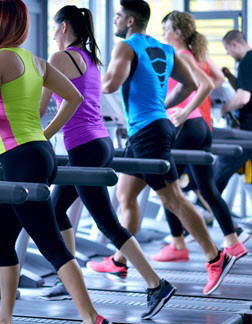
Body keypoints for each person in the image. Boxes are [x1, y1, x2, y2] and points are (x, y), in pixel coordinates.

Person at [0, 1, 113, 324]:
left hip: (22, 160)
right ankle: (4, 321)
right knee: (1, 238)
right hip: (40, 154)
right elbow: (74, 98)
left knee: (51, 245)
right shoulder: (36, 61)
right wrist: (45, 132)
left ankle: (93, 320)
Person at [87, 0, 236, 295]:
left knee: (172, 199)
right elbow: (191, 85)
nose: (115, 20)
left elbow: (110, 84)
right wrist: (161, 108)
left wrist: (78, 80)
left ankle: (216, 257)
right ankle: (119, 260)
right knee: (126, 194)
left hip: (147, 133)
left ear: (130, 21)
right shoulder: (164, 49)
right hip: (149, 128)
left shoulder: (126, 47)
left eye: (117, 16)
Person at [39, 5, 174, 319]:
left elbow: (43, 105)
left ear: (63, 28)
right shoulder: (91, 59)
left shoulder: (60, 58)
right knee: (57, 208)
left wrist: (42, 132)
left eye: (53, 28)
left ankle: (156, 284)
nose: (52, 34)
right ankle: (68, 278)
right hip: (101, 143)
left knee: (107, 222)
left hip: (84, 146)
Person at [150, 11, 248, 262]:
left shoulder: (180, 55)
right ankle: (233, 241)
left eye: (165, 31)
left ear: (177, 33)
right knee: (206, 188)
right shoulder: (197, 54)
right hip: (202, 126)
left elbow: (202, 83)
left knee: (166, 186)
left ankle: (178, 244)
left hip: (188, 125)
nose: (163, 35)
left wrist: (184, 108)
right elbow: (212, 80)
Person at [213, 30, 252, 193]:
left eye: (227, 49)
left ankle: (205, 210)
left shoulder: (246, 62)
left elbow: (243, 98)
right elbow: (246, 88)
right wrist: (229, 77)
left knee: (221, 168)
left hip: (249, 131)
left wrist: (223, 109)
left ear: (235, 44)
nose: (228, 54)